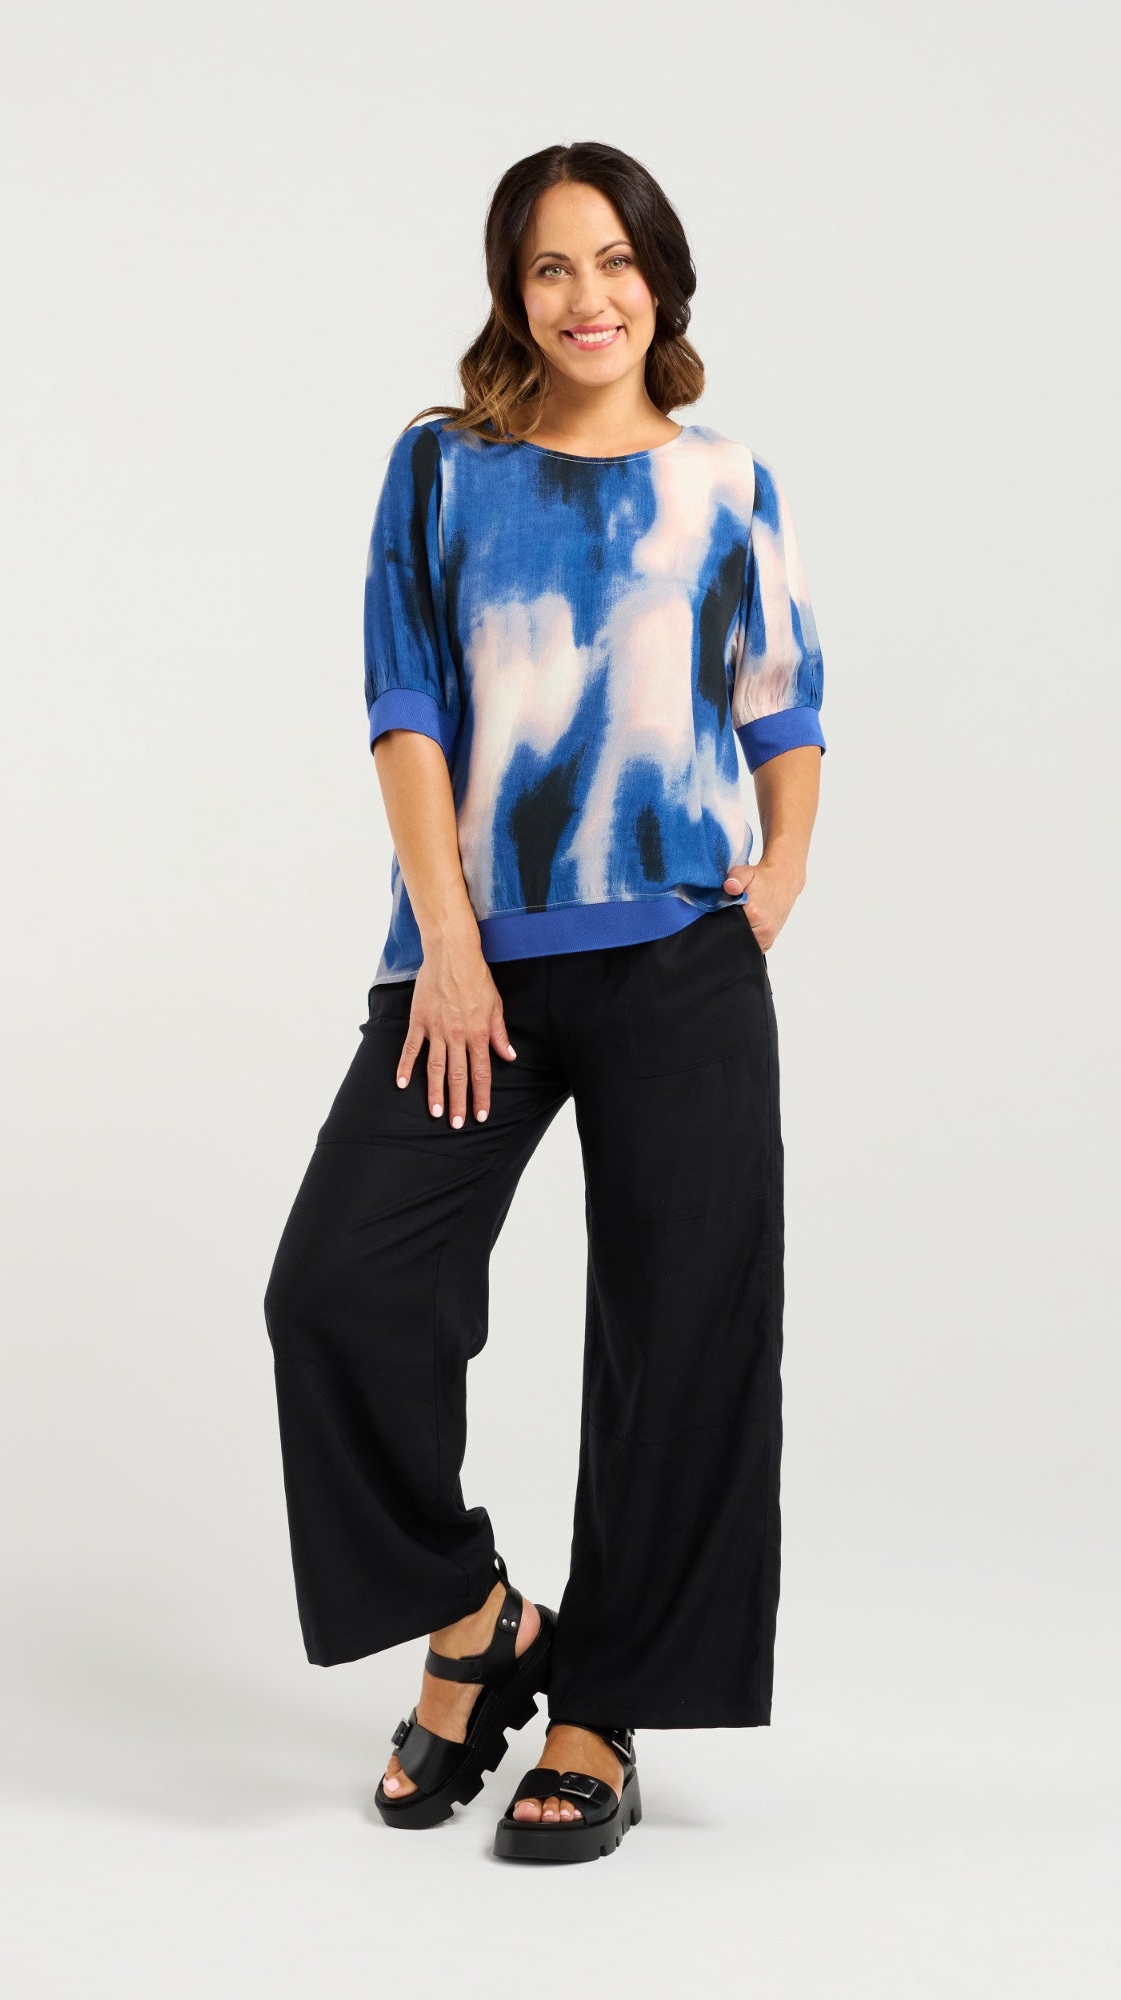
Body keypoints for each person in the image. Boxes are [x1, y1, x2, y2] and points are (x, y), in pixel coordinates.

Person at [263, 139, 826, 1865]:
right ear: (513, 295)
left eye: (616, 261)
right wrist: (447, 935)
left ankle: (603, 1710)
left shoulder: (725, 481)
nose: (589, 297)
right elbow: (406, 702)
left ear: (663, 279)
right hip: (471, 973)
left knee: (683, 1336)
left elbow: (783, 703)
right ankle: (478, 1620)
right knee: (339, 1291)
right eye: (551, 268)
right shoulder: (445, 467)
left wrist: (781, 876)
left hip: (680, 963)